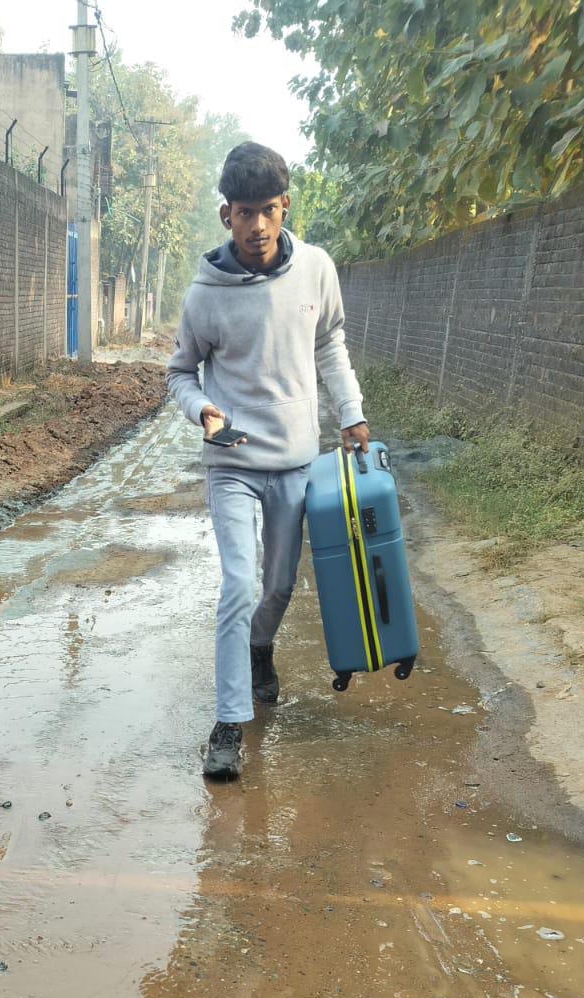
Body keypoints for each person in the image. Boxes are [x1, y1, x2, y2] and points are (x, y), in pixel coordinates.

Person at [165, 142, 370, 780]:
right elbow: (180, 373)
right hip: (231, 461)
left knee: (279, 584)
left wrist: (351, 410)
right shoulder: (204, 295)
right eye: (245, 212)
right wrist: (203, 410)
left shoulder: (316, 269)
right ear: (226, 214)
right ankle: (228, 722)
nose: (257, 226)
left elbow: (330, 342)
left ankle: (261, 647)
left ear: (285, 207)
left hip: (295, 460)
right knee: (239, 582)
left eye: (269, 211)